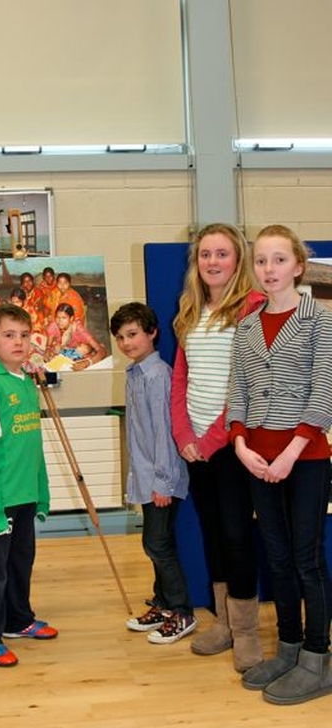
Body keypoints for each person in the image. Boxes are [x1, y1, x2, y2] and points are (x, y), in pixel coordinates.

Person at [226, 224, 332, 705]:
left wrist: (291, 451)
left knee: (308, 561)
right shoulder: (246, 325)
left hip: (304, 457)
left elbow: (325, 389)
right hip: (256, 459)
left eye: (279, 260)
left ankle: (317, 657)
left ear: (298, 266)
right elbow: (238, 392)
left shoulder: (320, 319)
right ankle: (288, 647)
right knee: (278, 558)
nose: (269, 270)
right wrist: (242, 443)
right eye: (262, 261)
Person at [171, 222, 265, 673]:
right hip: (196, 446)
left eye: (221, 254)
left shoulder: (250, 307)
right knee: (211, 533)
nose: (212, 261)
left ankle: (247, 632)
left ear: (238, 260)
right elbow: (181, 378)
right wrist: (183, 435)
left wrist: (209, 439)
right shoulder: (190, 308)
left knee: (236, 535)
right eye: (205, 254)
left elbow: (244, 383)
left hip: (232, 442)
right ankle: (225, 623)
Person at [0, 303, 58, 667]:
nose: (18, 342)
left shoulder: (27, 381)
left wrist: (42, 492)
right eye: (9, 336)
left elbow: (32, 443)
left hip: (24, 494)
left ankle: (17, 620)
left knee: (22, 561)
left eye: (23, 335)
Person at [111, 302, 196, 644]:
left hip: (164, 478)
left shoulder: (159, 375)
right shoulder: (134, 374)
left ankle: (181, 612)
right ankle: (162, 603)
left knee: (157, 544)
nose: (127, 343)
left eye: (132, 334)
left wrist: (163, 482)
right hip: (148, 477)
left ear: (152, 333)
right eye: (120, 337)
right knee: (158, 543)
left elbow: (165, 433)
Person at [44, 303, 107, 371]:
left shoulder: (79, 330)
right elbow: (48, 345)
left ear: (71, 318)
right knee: (56, 349)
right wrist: (47, 350)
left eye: (64, 318)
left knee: (84, 349)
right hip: (65, 351)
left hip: (79, 349)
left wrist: (86, 363)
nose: (60, 321)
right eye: (58, 317)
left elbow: (102, 351)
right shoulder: (54, 326)